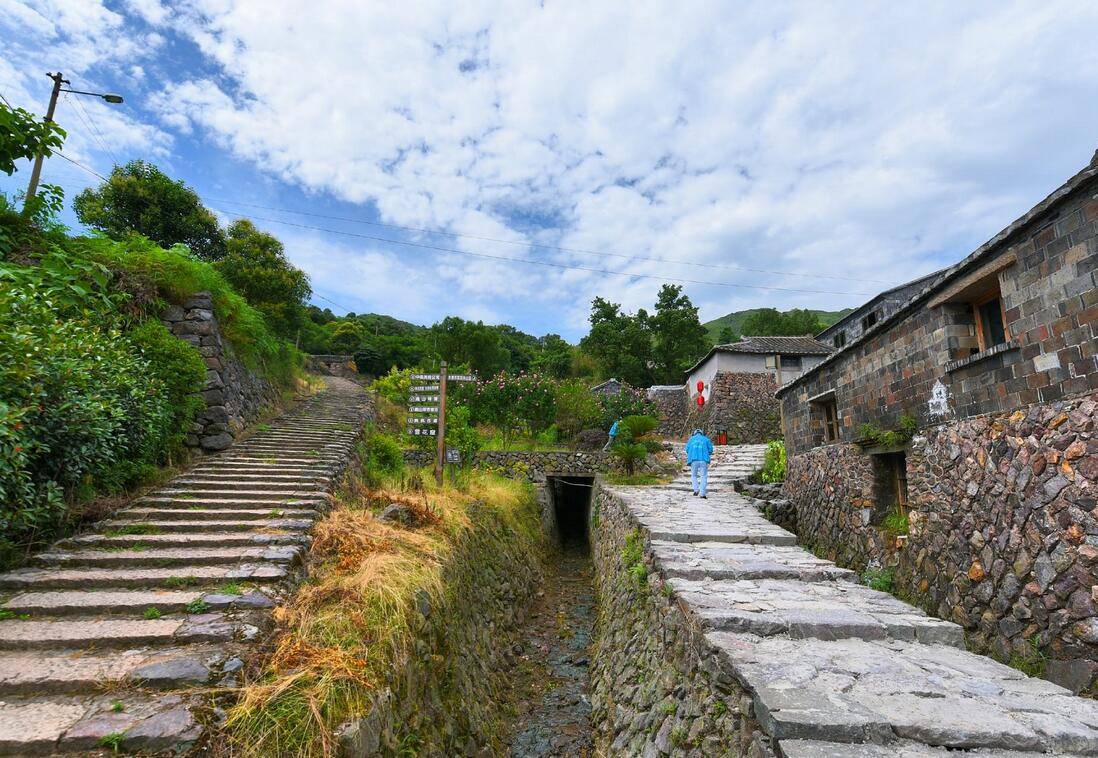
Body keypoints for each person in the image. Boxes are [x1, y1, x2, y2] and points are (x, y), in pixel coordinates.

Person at [685, 428, 714, 498]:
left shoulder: (691, 439)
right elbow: (710, 450)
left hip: (693, 459)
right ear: (702, 433)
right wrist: (706, 453)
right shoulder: (706, 439)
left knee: (694, 475)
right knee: (703, 476)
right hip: (703, 460)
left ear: (694, 433)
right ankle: (702, 494)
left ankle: (696, 490)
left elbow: (687, 450)